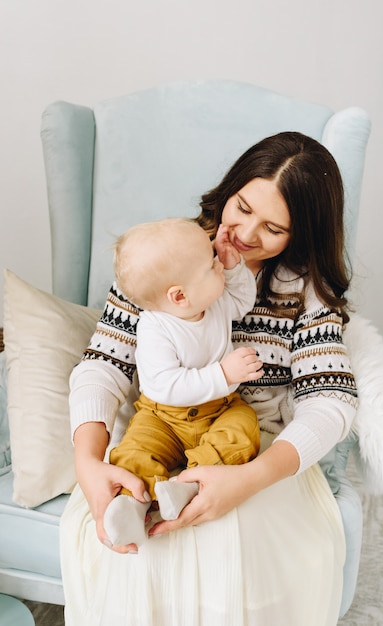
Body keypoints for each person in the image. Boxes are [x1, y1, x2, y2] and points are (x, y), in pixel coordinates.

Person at [63, 131, 358, 626]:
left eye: (273, 228)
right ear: (230, 188)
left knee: (229, 545)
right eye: (241, 207)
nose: (244, 234)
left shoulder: (306, 291)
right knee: (140, 544)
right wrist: (87, 463)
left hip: (251, 447)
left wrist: (249, 480)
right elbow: (104, 363)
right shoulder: (165, 253)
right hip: (161, 423)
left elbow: (332, 402)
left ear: (302, 235)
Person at [103, 218, 262, 547]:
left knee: (243, 429)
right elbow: (166, 386)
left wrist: (232, 270)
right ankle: (133, 505)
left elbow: (244, 300)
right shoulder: (155, 328)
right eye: (211, 264)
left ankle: (189, 483)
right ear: (179, 296)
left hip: (219, 409)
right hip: (163, 415)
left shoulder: (213, 301)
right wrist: (225, 375)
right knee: (134, 450)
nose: (218, 262)